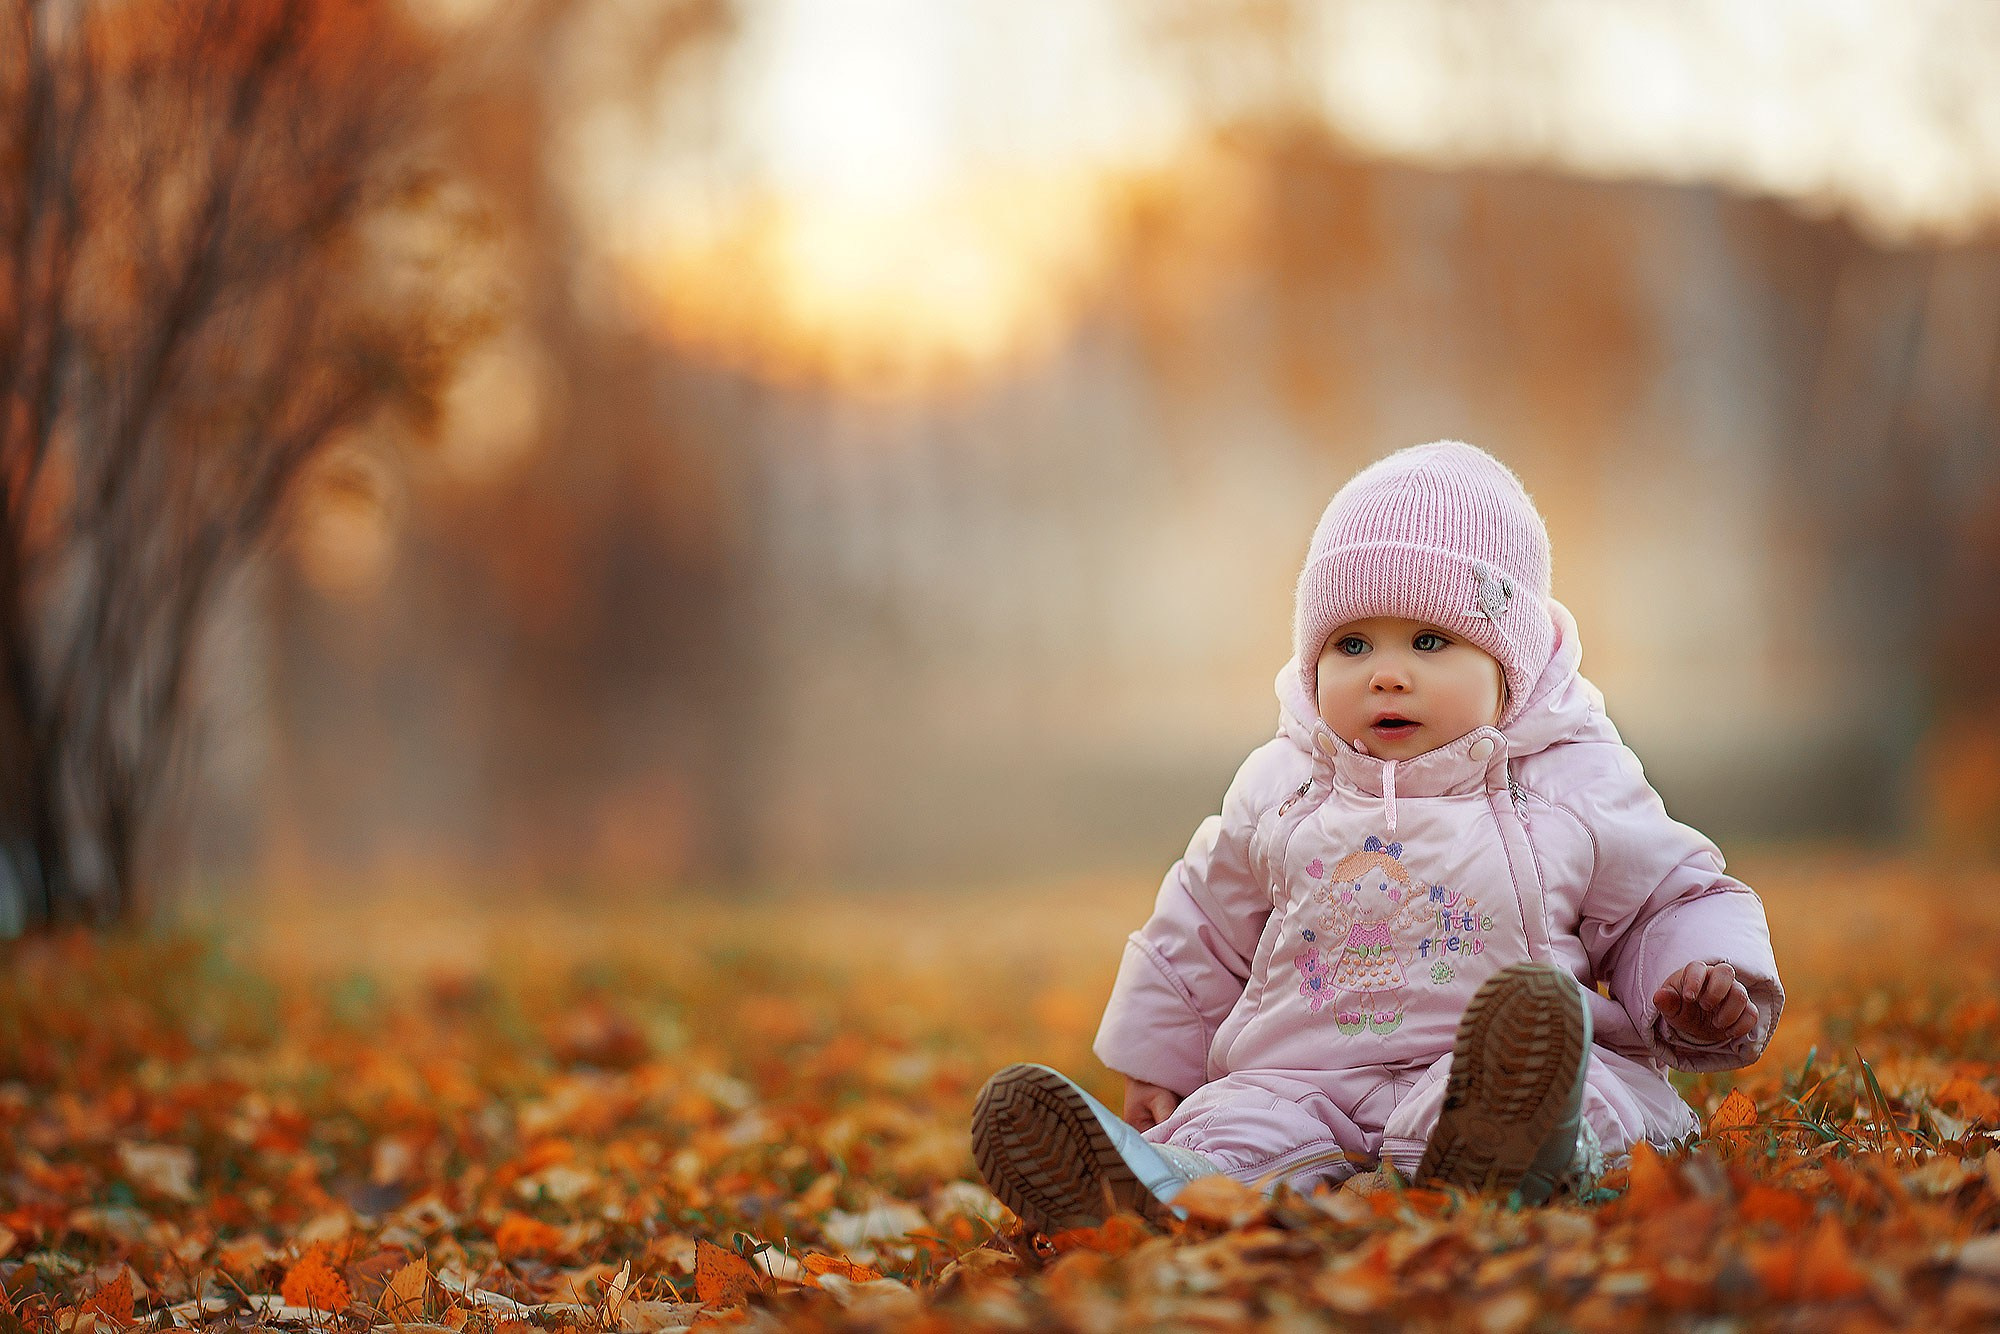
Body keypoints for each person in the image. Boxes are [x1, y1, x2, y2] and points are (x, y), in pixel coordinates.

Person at [970, 440, 1783, 1232]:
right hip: (1302, 1082)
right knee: (1237, 1125)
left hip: (1492, 1070)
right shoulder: (1283, 785)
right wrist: (1160, 1059)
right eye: (1351, 644)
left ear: (1510, 663)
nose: (1386, 673)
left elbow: (1666, 899)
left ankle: (1508, 1146)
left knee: (1588, 1098)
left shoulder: (1572, 781)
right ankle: (1164, 1184)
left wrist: (1698, 983)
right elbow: (1203, 923)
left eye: (1429, 641)